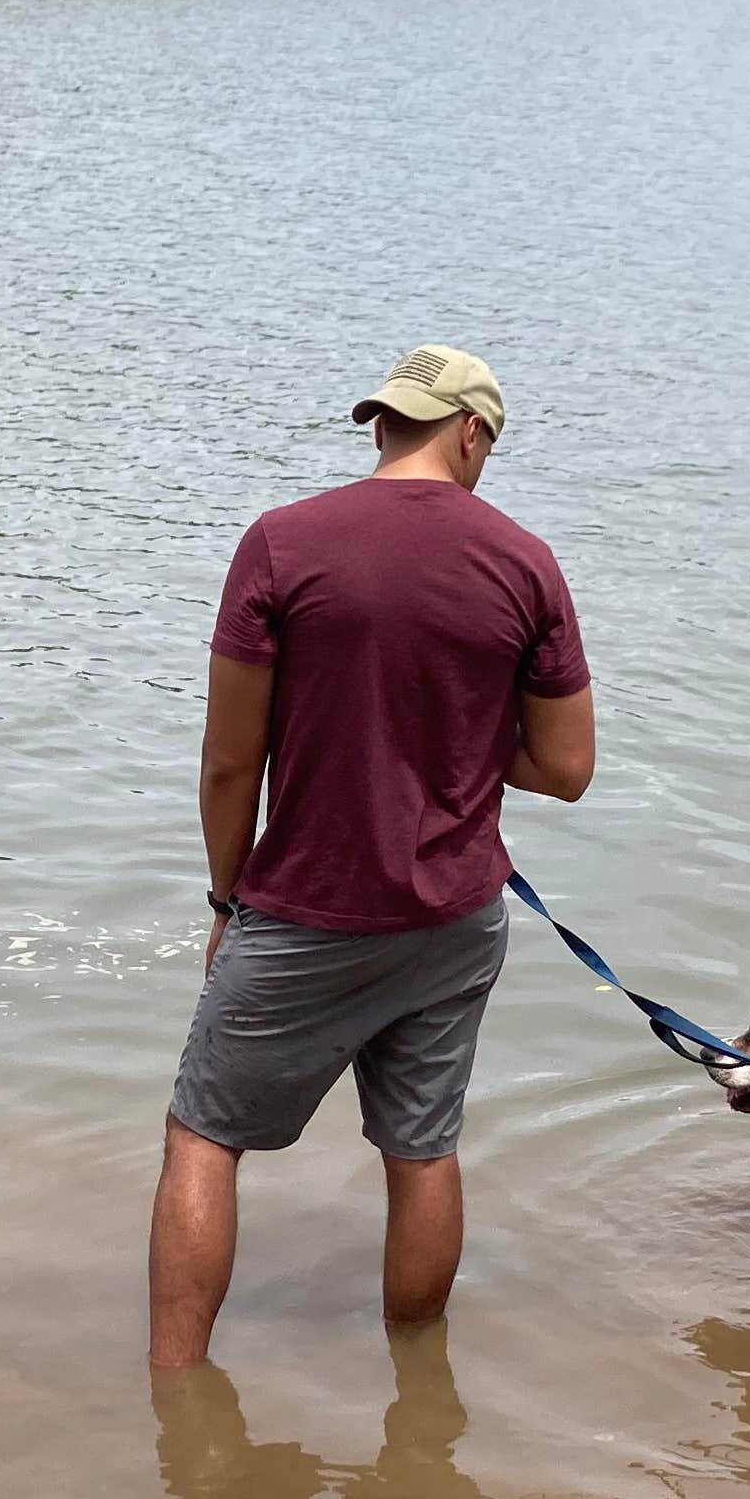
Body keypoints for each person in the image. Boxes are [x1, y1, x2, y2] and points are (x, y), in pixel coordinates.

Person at [147, 344, 595, 1372]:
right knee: (423, 1151)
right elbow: (567, 768)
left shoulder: (281, 544)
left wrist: (227, 895)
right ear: (473, 434)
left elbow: (229, 762)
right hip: (453, 920)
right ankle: (417, 1390)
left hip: (308, 910)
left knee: (202, 1136)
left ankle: (175, 1401)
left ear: (387, 424)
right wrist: (464, 745)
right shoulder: (525, 563)